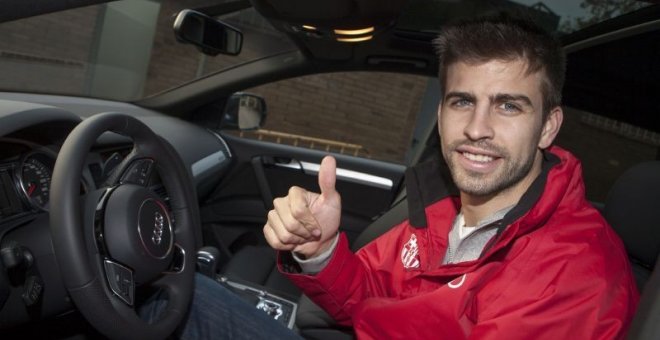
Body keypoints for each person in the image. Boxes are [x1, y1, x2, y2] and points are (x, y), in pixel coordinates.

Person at [158, 14, 638, 339]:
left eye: (508, 106)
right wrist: (321, 253)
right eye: (462, 101)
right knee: (179, 292)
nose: (476, 128)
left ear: (547, 126)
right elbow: (369, 297)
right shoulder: (444, 205)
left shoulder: (576, 278)